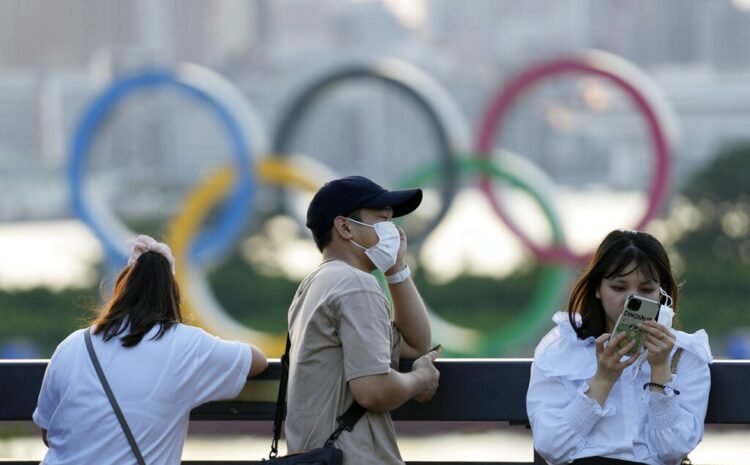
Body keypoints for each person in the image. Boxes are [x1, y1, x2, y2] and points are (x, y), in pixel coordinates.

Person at [33, 235, 268, 465]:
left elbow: (48, 432)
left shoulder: (74, 343)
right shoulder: (187, 344)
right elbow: (258, 361)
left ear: (121, 290)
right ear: (172, 295)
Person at [285, 175, 440, 465]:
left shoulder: (316, 283)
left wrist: (395, 269)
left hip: (316, 456)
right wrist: (420, 379)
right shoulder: (357, 286)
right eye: (382, 220)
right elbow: (372, 391)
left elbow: (415, 344)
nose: (392, 231)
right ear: (344, 227)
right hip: (353, 456)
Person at [527, 229, 712, 465]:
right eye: (618, 287)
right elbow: (552, 447)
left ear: (662, 294)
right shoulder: (561, 348)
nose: (630, 300)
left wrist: (659, 370)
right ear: (597, 288)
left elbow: (673, 451)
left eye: (646, 290)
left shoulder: (684, 354)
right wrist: (603, 380)